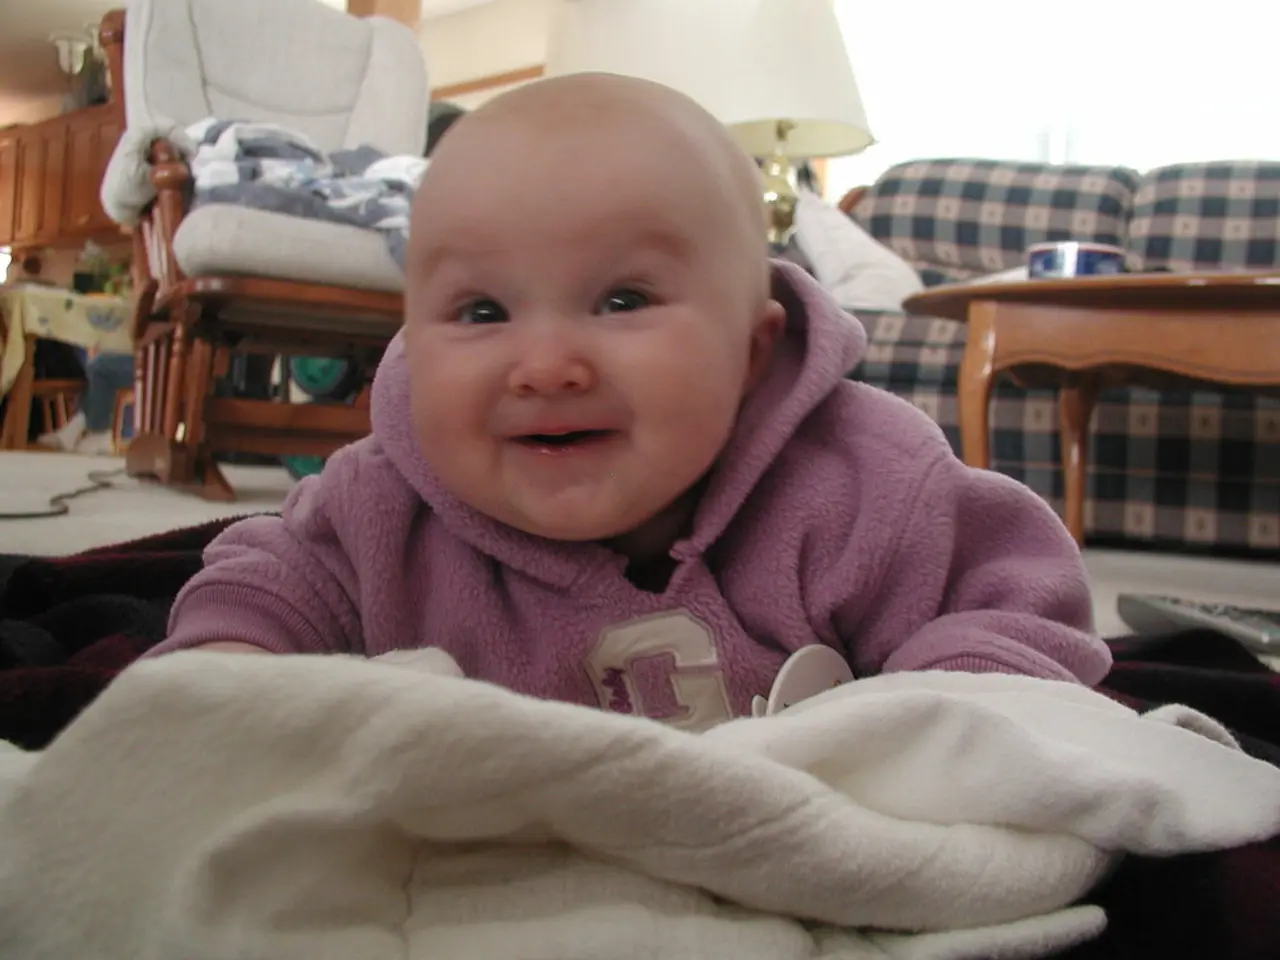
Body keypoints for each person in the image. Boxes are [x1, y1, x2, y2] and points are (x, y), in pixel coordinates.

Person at [150, 73, 1110, 730]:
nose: (546, 365)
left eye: (622, 300)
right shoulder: (385, 501)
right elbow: (277, 580)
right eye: (482, 311)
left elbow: (1016, 602)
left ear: (750, 347)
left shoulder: (862, 484)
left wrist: (943, 731)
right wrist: (232, 670)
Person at [36, 350, 134, 456]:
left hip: (150, 360)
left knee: (100, 367)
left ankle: (99, 433)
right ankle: (75, 428)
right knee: (94, 367)